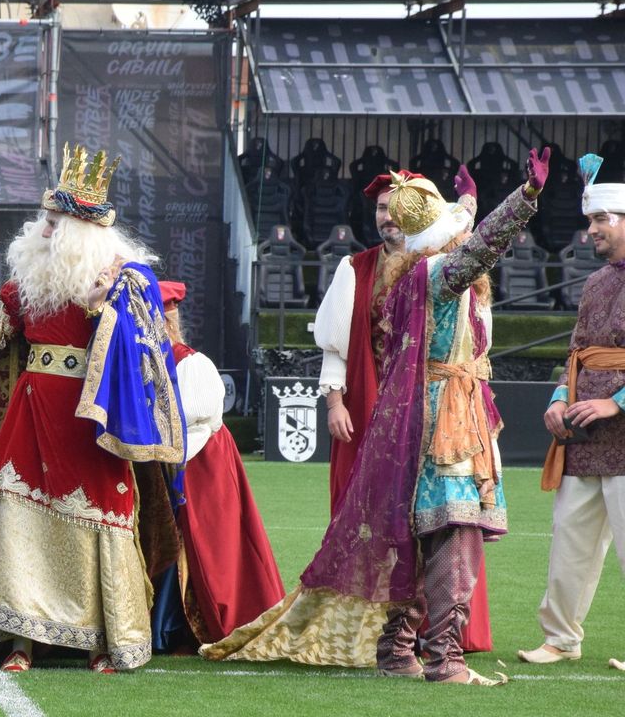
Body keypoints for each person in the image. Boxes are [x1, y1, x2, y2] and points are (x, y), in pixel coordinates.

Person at [203, 149, 551, 685]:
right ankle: (447, 659)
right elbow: (481, 246)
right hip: (446, 422)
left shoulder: (415, 270)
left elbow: (463, 233)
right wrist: (524, 199)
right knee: (455, 534)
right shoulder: (442, 273)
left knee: (416, 537)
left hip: (436, 414)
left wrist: (468, 200)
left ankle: (396, 652)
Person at [0, 144, 186, 673]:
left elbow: (149, 347)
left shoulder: (126, 278)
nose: (43, 230)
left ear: (83, 231)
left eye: (55, 223)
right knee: (18, 514)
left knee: (96, 519)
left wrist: (105, 307)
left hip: (89, 420)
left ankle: (102, 641)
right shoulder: (28, 281)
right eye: (44, 220)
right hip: (30, 414)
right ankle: (20, 642)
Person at [315, 165, 493, 653]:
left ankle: (421, 634)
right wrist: (335, 399)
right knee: (376, 516)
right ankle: (381, 634)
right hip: (372, 399)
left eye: (399, 208)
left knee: (436, 519)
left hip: (437, 407)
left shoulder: (450, 272)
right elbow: (336, 343)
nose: (388, 216)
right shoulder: (357, 268)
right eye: (380, 208)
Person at [523, 154, 625, 667]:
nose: (591, 231)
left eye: (601, 219)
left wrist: (615, 401)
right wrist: (559, 398)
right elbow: (576, 350)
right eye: (590, 221)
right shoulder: (594, 283)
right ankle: (560, 639)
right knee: (569, 544)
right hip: (582, 441)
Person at [150, 280, 283, 651]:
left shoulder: (190, 363)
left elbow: (197, 416)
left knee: (209, 545)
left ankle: (201, 622)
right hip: (167, 460)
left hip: (200, 460)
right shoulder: (142, 363)